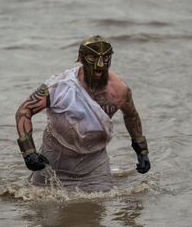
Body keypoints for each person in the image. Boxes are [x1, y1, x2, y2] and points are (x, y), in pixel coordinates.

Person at [15, 35, 150, 192]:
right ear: (81, 58)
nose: (100, 64)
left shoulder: (120, 90)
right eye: (93, 57)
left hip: (94, 163)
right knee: (36, 204)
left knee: (98, 206)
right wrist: (29, 152)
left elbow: (131, 116)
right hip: (54, 159)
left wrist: (142, 151)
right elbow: (24, 110)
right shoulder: (60, 86)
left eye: (106, 58)